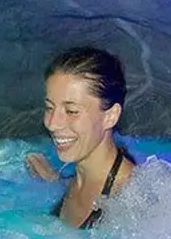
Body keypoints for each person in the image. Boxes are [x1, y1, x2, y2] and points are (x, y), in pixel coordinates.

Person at [25, 46, 136, 229]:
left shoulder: (130, 207)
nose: (52, 123)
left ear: (110, 116)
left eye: (71, 111)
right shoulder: (79, 177)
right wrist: (56, 182)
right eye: (49, 108)